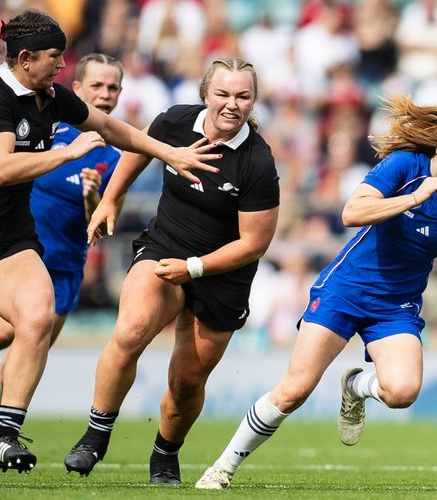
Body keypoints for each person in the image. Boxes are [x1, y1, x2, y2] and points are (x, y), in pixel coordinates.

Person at [193, 95, 437, 490]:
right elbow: (351, 213)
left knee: (402, 392)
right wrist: (414, 198)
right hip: (345, 290)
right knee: (293, 391)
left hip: (397, 305)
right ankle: (222, 467)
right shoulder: (405, 167)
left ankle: (354, 387)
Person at [0, 10, 217, 473]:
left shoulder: (48, 96)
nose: (61, 66)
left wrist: (170, 153)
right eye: (54, 58)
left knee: (37, 319)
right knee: (5, 331)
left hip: (8, 240)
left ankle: (3, 438)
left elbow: (113, 129)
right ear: (24, 58)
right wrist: (66, 152)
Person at [63, 56, 280, 485]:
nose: (232, 104)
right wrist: (110, 199)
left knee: (185, 382)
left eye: (243, 96)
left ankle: (165, 455)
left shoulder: (257, 162)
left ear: (254, 102)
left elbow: (254, 243)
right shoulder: (176, 121)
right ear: (205, 94)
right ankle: (96, 435)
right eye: (222, 94)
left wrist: (195, 268)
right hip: (167, 247)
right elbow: (138, 151)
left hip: (222, 273)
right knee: (130, 330)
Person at [0, 53, 124, 465]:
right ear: (79, 89)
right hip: (12, 254)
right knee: (1, 335)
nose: (105, 95)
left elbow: (104, 224)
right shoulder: (47, 126)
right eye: (97, 87)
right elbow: (1, 168)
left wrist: (94, 197)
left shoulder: (112, 156)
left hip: (66, 267)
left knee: (20, 361)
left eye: (113, 88)